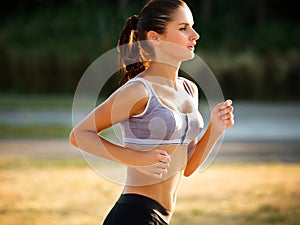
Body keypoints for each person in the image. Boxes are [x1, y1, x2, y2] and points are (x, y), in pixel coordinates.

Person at [69, 0, 234, 224]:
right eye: (183, 28)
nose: (195, 35)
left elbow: (187, 167)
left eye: (192, 27)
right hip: (134, 214)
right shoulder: (139, 90)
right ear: (155, 38)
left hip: (161, 217)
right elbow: (80, 134)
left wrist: (215, 128)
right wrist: (137, 158)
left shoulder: (189, 90)